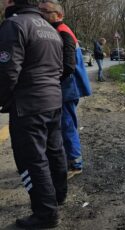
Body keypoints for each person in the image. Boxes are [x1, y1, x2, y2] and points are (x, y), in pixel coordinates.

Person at [0, 0, 67, 228]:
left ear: (12, 2)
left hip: (29, 105)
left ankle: (46, 214)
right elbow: (59, 69)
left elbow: (8, 71)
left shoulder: (15, 24)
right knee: (54, 151)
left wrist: (3, 100)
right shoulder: (49, 28)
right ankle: (58, 197)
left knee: (32, 160)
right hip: (53, 100)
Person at [39, 0, 92, 180]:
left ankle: (76, 164)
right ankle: (69, 160)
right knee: (65, 124)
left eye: (46, 11)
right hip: (68, 87)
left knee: (67, 125)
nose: (42, 14)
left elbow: (68, 66)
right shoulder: (59, 31)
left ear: (59, 15)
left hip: (69, 88)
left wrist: (52, 79)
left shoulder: (63, 33)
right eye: (40, 11)